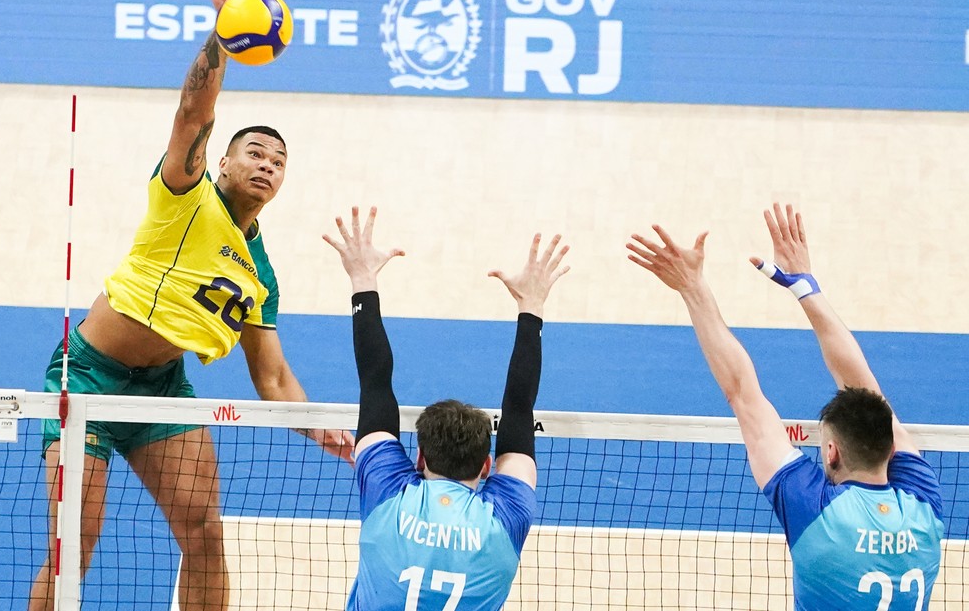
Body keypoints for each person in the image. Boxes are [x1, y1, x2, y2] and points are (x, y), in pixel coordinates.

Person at [29, 0, 354, 610]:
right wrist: (223, 31)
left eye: (278, 161)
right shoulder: (186, 195)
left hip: (163, 391)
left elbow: (273, 376)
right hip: (89, 376)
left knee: (205, 534)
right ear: (224, 162)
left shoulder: (260, 275)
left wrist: (318, 426)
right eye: (255, 152)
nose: (267, 165)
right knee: (77, 542)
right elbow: (191, 112)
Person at [627, 203, 944, 610]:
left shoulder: (814, 510)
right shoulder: (923, 504)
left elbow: (743, 393)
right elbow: (866, 389)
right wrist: (805, 286)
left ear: (831, 451)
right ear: (891, 448)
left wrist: (693, 287)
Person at [322, 206, 569, 611]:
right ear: (487, 466)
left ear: (418, 458)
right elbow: (521, 410)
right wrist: (532, 304)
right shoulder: (505, 519)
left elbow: (375, 380)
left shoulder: (388, 495)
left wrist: (362, 278)